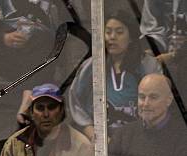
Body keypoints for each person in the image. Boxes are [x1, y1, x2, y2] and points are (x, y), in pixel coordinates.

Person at [68, 10, 160, 141]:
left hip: (139, 140)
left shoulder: (148, 65)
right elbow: (76, 102)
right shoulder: (91, 66)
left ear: (131, 37)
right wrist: (93, 134)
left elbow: (158, 103)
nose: (112, 37)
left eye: (119, 32)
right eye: (108, 32)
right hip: (99, 140)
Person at [109, 73, 187, 156]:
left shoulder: (183, 136)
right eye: (141, 97)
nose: (145, 104)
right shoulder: (122, 135)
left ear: (169, 100)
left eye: (153, 97)